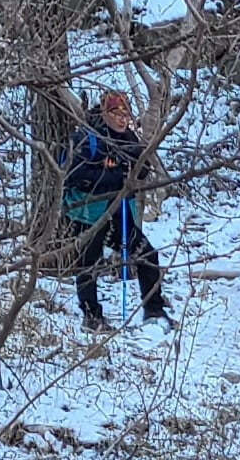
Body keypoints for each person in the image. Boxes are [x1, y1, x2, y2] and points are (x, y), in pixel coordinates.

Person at [63, 89, 169, 328]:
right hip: (88, 213)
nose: (122, 119)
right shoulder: (87, 137)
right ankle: (92, 317)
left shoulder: (128, 138)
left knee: (147, 254)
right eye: (116, 113)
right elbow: (75, 174)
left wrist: (127, 170)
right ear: (105, 113)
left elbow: (141, 169)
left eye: (126, 114)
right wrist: (114, 174)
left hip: (120, 212)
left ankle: (154, 311)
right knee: (88, 263)